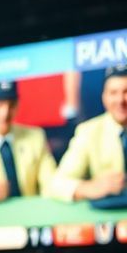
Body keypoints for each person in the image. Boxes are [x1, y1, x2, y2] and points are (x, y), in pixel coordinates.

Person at [0, 81, 57, 204]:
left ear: (18, 105)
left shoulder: (35, 137)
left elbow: (52, 183)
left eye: (11, 105)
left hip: (31, 219)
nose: (5, 113)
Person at [51, 65, 127, 201]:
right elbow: (56, 184)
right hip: (108, 215)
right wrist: (90, 188)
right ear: (104, 97)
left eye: (126, 92)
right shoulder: (88, 132)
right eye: (113, 93)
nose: (121, 100)